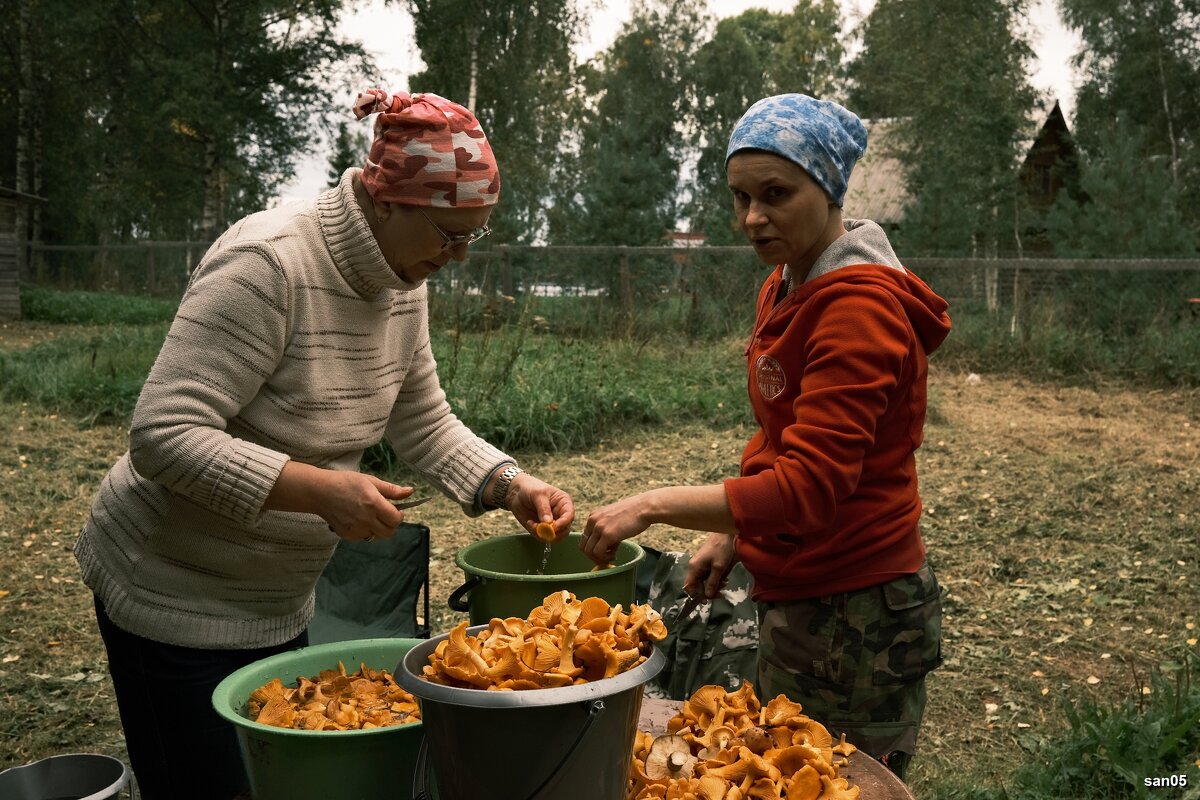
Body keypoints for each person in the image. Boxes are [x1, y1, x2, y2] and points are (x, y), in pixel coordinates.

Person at [73, 88, 574, 800]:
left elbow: (422, 420)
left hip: (274, 596)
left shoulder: (403, 279)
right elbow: (163, 434)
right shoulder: (269, 265)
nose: (458, 256)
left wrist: (507, 483)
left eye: (474, 236)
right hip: (172, 588)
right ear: (388, 199)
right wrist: (319, 490)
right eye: (449, 233)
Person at [580, 93, 951, 778]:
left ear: (829, 188)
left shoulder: (860, 311)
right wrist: (735, 532)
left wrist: (651, 503)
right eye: (740, 197)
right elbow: (786, 442)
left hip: (854, 610)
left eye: (776, 194)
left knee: (840, 781)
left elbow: (809, 488)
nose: (752, 218)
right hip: (802, 588)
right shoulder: (788, 283)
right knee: (784, 771)